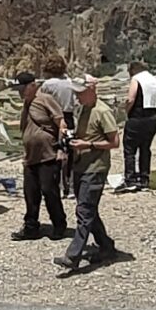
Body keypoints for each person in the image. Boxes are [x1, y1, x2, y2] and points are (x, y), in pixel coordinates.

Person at [56, 79, 123, 274]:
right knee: (89, 209)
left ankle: (73, 255)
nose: (77, 97)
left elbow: (114, 142)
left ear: (92, 90)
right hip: (81, 165)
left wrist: (89, 145)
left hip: (96, 167)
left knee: (84, 210)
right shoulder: (84, 109)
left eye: (80, 93)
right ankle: (106, 247)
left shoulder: (102, 111)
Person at [12, 71, 69, 242]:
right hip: (31, 156)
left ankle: (59, 224)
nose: (20, 92)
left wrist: (62, 149)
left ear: (32, 85)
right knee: (30, 192)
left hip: (48, 154)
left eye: (23, 88)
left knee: (49, 190)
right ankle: (31, 226)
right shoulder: (26, 105)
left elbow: (61, 123)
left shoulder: (45, 100)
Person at [120, 61, 156, 191]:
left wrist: (126, 110)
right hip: (152, 116)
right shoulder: (153, 79)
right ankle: (144, 178)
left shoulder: (136, 79)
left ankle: (130, 179)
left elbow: (131, 98)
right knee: (145, 148)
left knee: (130, 149)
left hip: (138, 117)